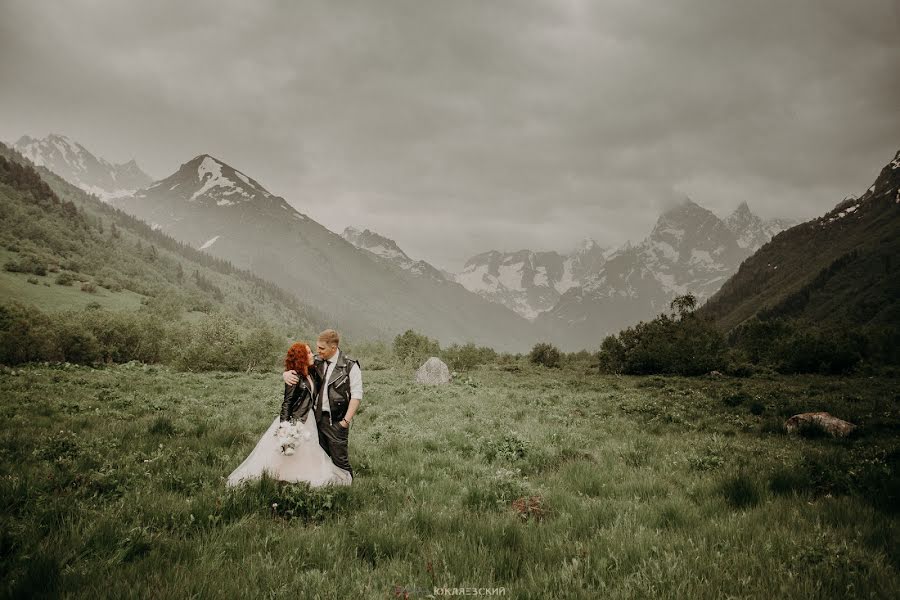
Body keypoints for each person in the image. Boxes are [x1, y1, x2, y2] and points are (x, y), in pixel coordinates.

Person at [226, 342, 352, 488]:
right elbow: (287, 403)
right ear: (302, 357)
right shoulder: (294, 377)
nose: (313, 355)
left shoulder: (311, 372)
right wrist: (284, 428)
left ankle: (301, 476)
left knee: (307, 452)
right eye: (309, 353)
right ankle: (276, 477)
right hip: (295, 421)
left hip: (308, 418)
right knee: (286, 451)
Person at [284, 329, 361, 479]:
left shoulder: (350, 366)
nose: (317, 351)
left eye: (321, 348)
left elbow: (356, 396)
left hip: (336, 421)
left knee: (340, 461)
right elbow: (298, 367)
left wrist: (345, 422)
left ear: (333, 348)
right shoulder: (317, 361)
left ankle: (347, 491)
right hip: (315, 420)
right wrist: (286, 373)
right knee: (319, 459)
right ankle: (326, 487)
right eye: (317, 347)